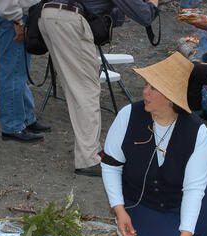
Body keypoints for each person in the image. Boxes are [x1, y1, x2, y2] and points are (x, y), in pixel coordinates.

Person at [100, 53, 207, 236]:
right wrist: (119, 210)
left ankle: (188, 222)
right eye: (146, 85)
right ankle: (173, 224)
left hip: (185, 193)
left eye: (153, 88)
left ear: (170, 97)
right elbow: (111, 165)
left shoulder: (197, 132)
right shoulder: (127, 116)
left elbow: (194, 189)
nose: (145, 92)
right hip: (142, 198)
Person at [38, 0, 159, 177]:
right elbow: (144, 15)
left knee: (76, 88)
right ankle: (89, 158)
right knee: (86, 90)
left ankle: (89, 151)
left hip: (49, 15)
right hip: (69, 18)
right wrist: (153, 4)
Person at [0, 0, 51, 142]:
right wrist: (17, 20)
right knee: (13, 70)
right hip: (11, 15)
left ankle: (26, 118)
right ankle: (13, 126)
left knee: (17, 68)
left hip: (12, 14)